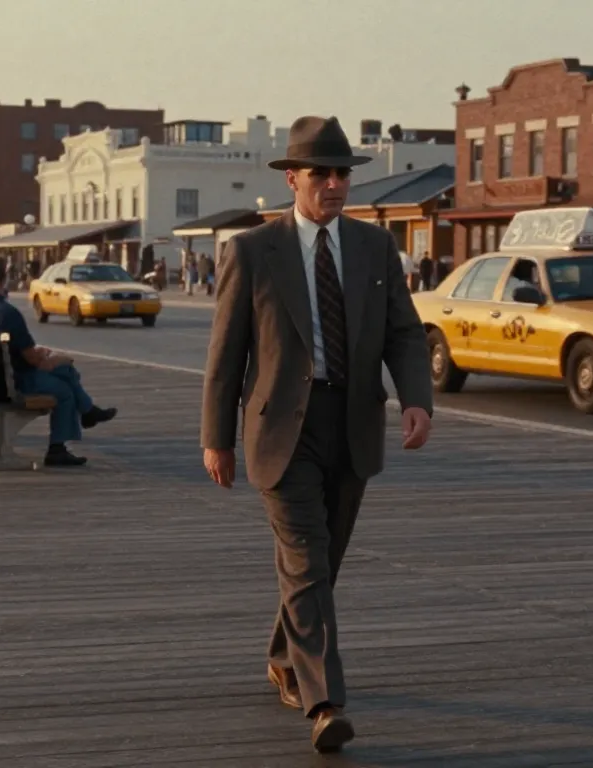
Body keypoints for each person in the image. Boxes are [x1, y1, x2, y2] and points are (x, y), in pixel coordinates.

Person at [200, 116, 434, 754]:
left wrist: (416, 399)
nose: (334, 185)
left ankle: (285, 655)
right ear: (293, 179)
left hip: (353, 424)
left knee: (321, 563)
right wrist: (216, 437)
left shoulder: (374, 247)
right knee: (306, 559)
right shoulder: (252, 251)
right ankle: (324, 701)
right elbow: (226, 354)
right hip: (280, 430)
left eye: (342, 174)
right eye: (321, 174)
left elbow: (404, 332)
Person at [0, 254, 117, 467]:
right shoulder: (7, 312)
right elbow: (33, 359)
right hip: (9, 383)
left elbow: (18, 351)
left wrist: (48, 358)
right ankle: (64, 441)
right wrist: (58, 359)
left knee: (66, 373)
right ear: (6, 277)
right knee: (64, 388)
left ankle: (87, 413)